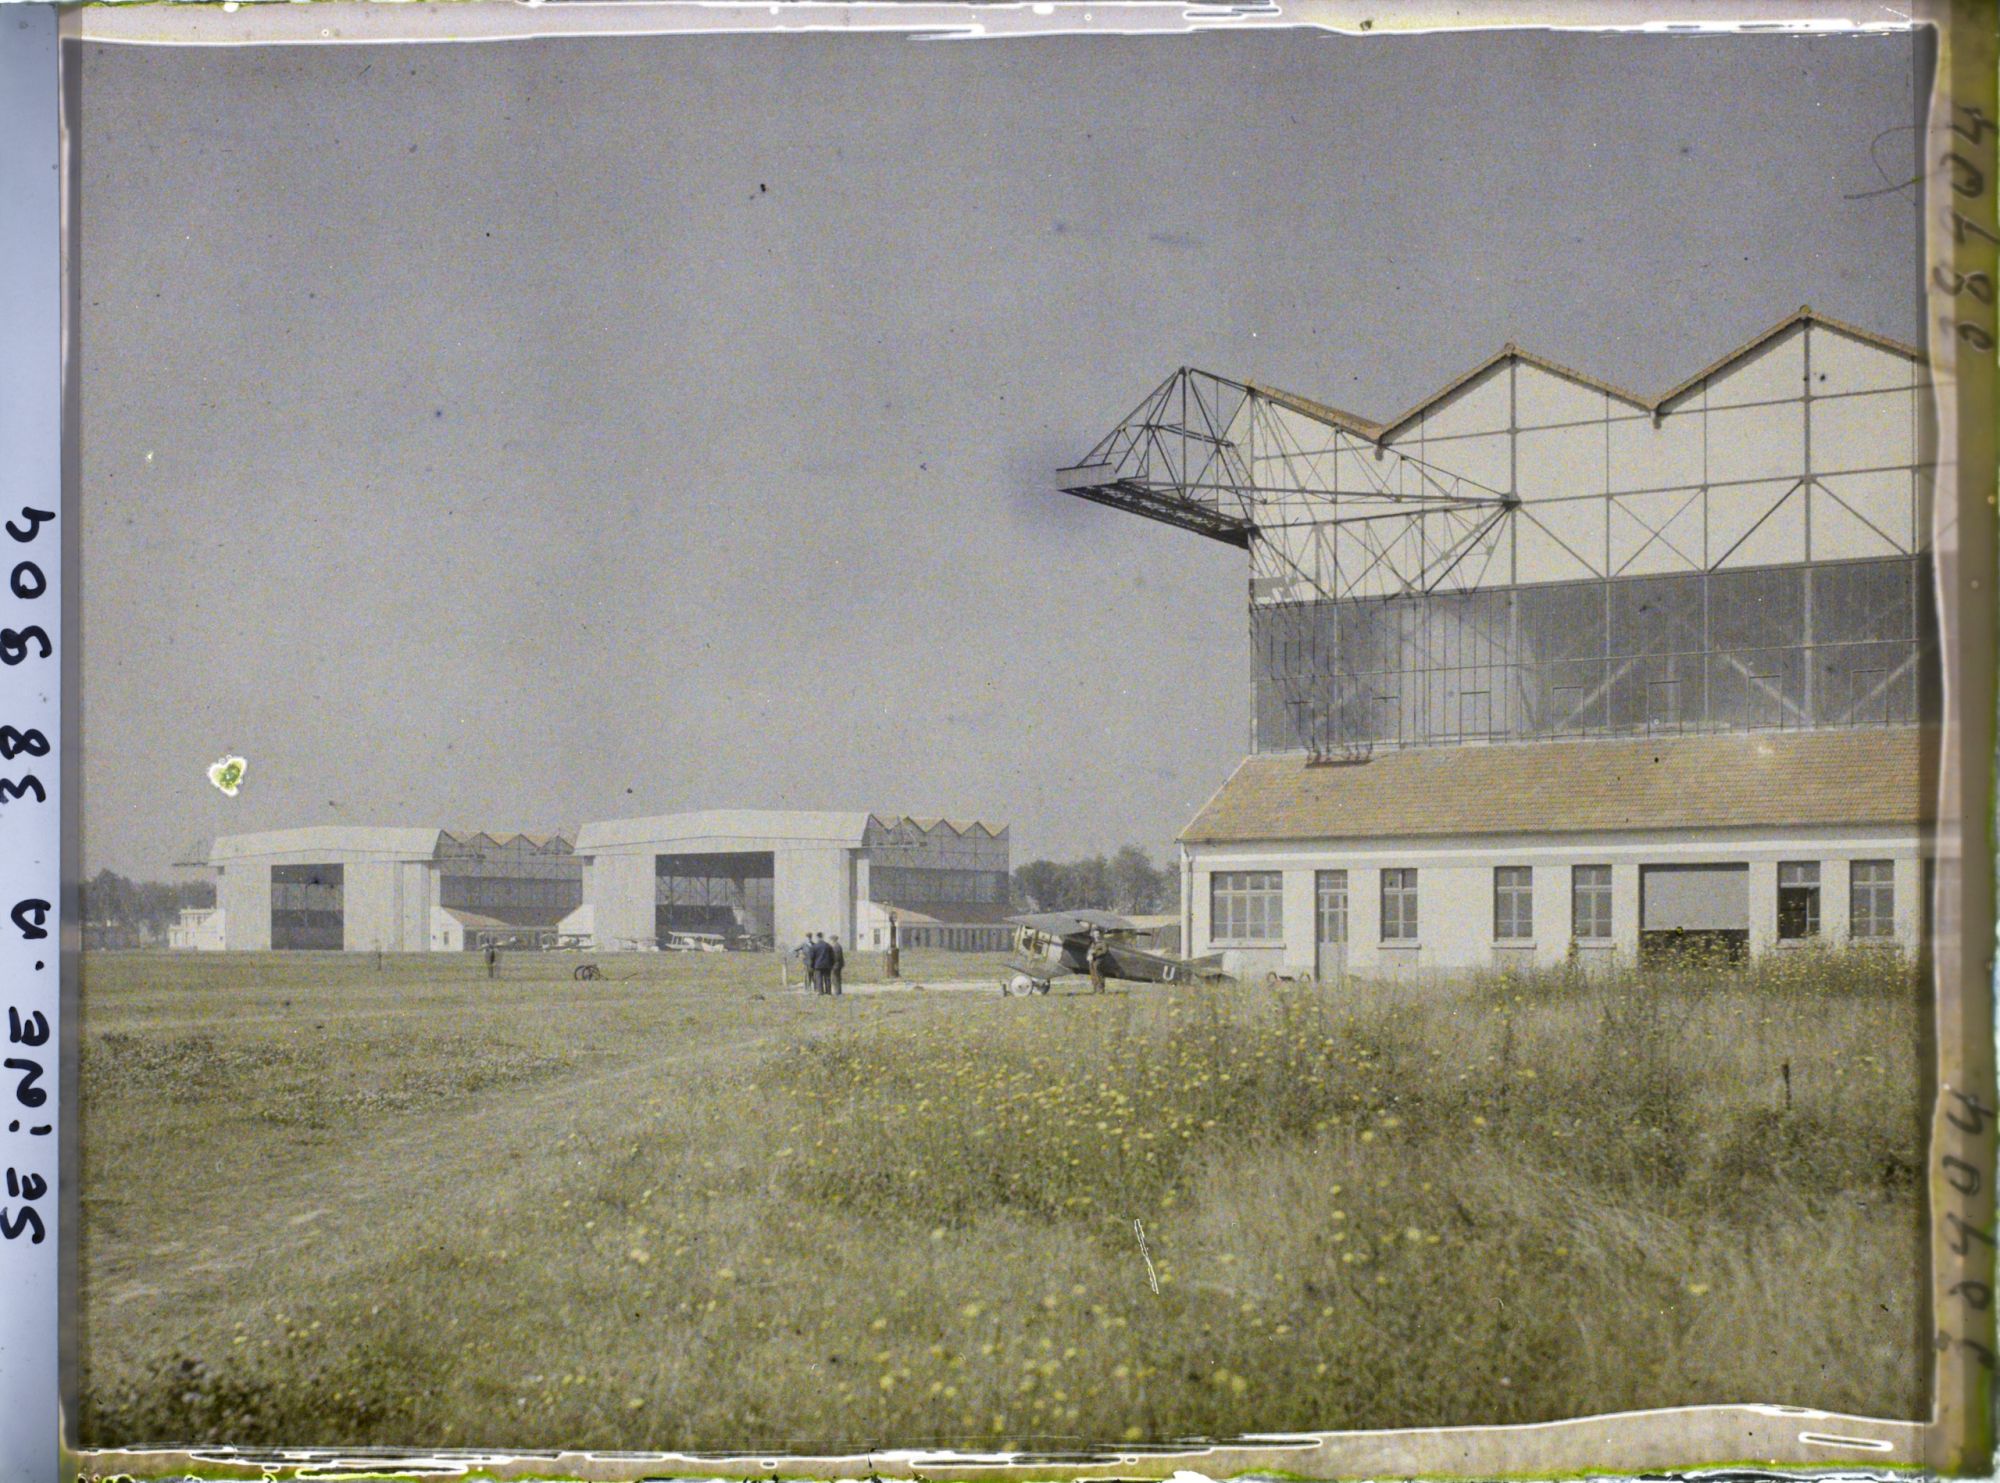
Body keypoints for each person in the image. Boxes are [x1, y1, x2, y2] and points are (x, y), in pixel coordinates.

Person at [1086, 927, 1108, 994]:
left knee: (1098, 970)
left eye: (1098, 934)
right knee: (1092, 973)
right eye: (1095, 934)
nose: (1096, 935)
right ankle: (1095, 988)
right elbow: (1089, 950)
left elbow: (1104, 951)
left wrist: (1095, 953)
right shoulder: (1092, 943)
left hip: (1100, 959)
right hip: (1092, 959)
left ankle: (1101, 988)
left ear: (1100, 935)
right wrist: (1089, 955)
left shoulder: (1103, 942)